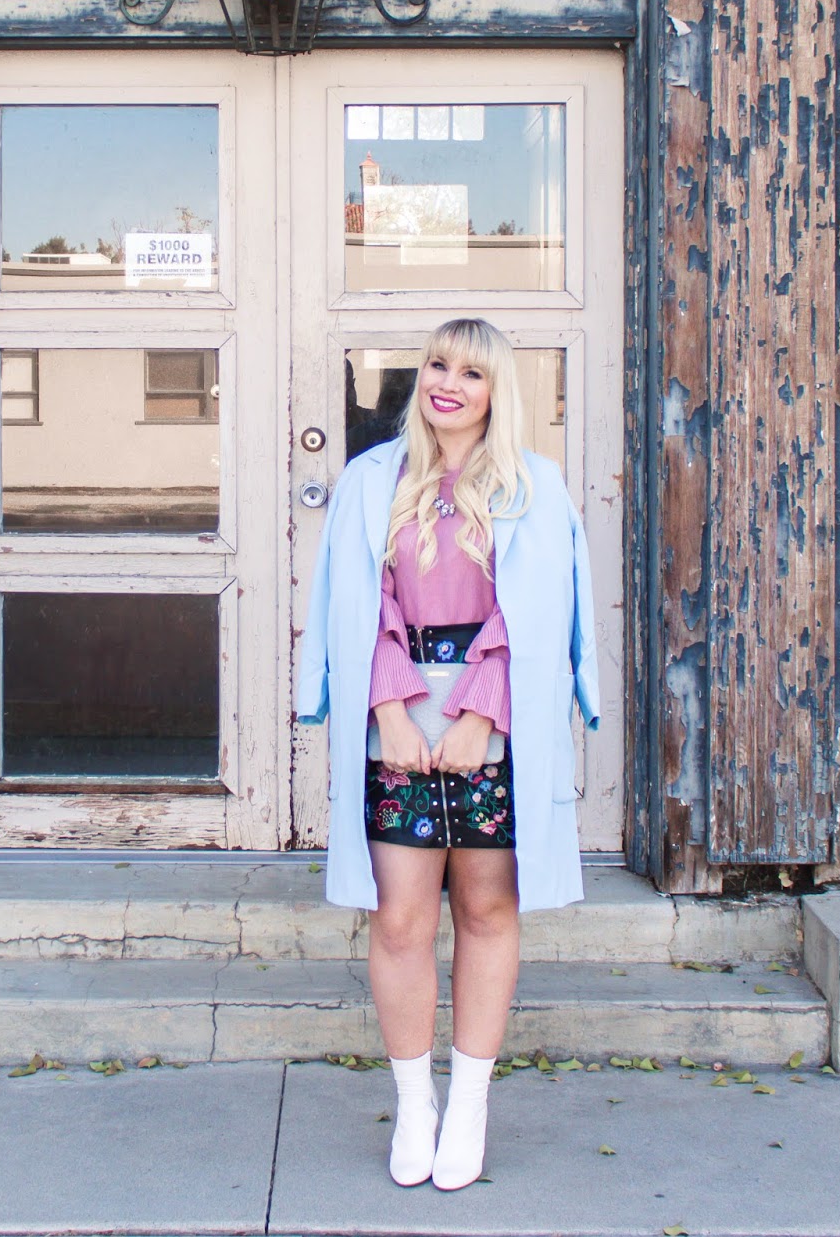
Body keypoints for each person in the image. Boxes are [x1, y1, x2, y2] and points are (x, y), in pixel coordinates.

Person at [296, 318, 600, 1191]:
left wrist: (481, 714)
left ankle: (469, 1102)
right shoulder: (368, 481)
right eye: (437, 364)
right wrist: (388, 706)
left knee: (486, 906)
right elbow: (353, 596)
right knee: (399, 915)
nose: (449, 383)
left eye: (472, 371)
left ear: (497, 390)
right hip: (394, 714)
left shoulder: (536, 487)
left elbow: (543, 613)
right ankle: (415, 1103)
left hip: (494, 720)